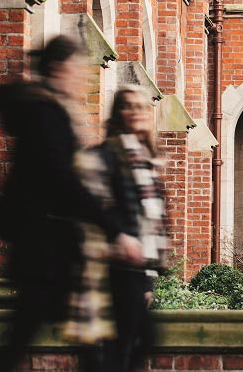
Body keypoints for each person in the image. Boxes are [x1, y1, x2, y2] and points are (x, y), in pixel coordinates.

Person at [0, 36, 141, 372]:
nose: (83, 77)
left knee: (69, 334)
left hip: (49, 245)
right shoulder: (47, 113)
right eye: (77, 69)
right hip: (46, 247)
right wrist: (115, 231)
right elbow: (64, 182)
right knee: (83, 333)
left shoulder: (49, 110)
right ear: (58, 67)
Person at [79, 85, 168, 372]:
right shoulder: (108, 153)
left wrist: (150, 276)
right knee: (124, 346)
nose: (138, 112)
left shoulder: (145, 158)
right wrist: (119, 235)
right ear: (119, 113)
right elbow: (93, 203)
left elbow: (153, 221)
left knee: (132, 344)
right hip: (118, 265)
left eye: (143, 106)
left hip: (138, 267)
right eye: (130, 106)